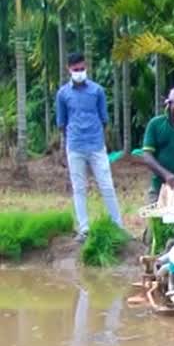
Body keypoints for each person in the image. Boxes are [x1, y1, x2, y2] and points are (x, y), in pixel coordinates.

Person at [55, 52, 123, 242]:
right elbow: (62, 122)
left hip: (96, 145)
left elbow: (104, 119)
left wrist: (96, 136)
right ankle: (83, 229)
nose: (79, 72)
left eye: (82, 69)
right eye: (76, 70)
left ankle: (117, 225)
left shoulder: (97, 91)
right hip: (75, 145)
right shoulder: (62, 94)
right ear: (69, 70)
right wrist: (70, 140)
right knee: (79, 188)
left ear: (86, 67)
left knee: (107, 186)